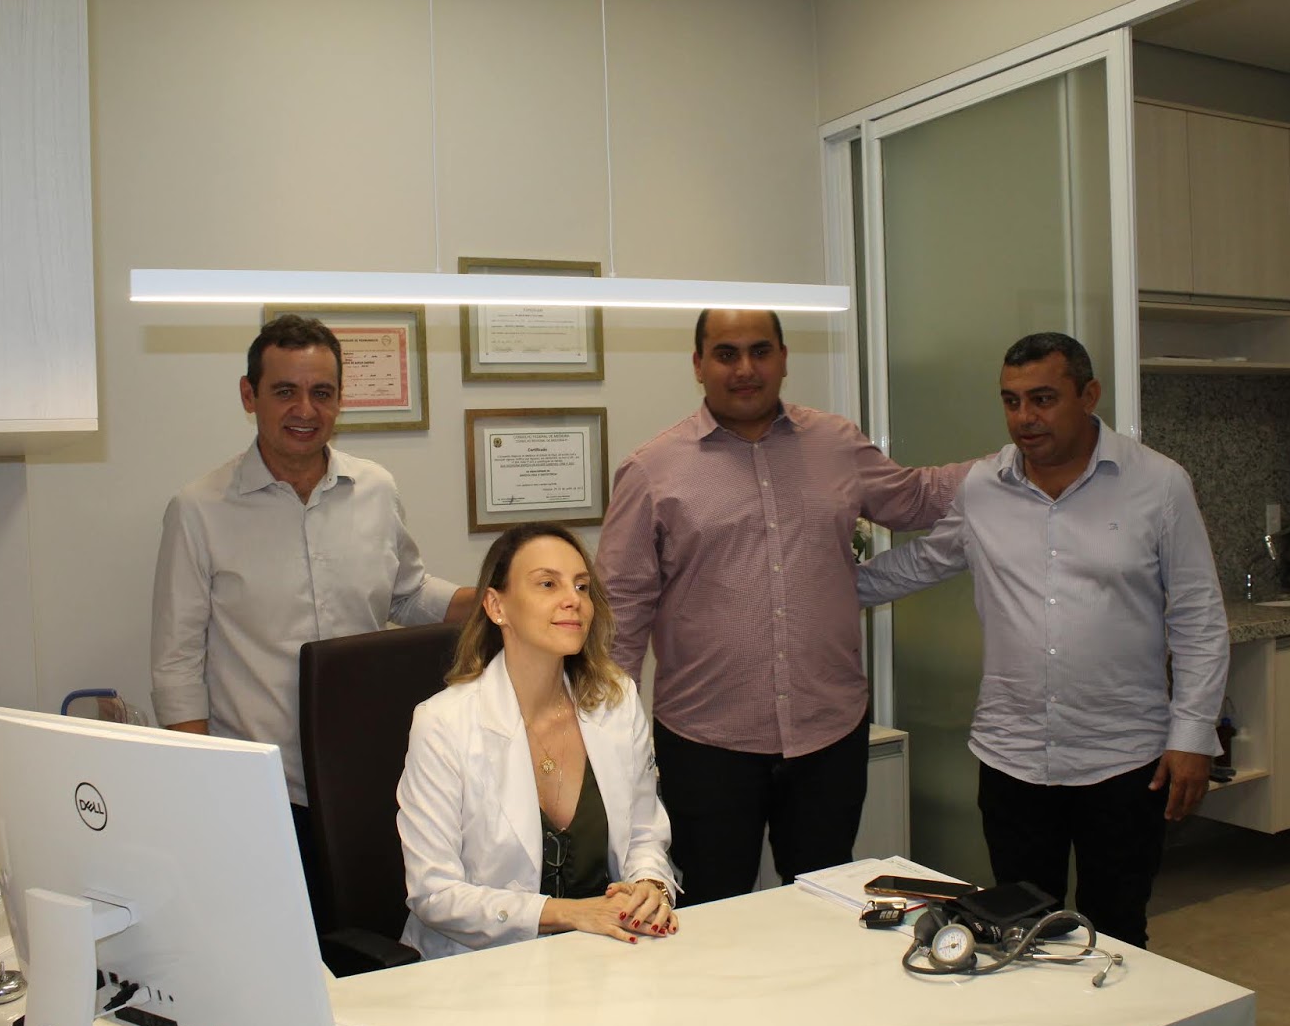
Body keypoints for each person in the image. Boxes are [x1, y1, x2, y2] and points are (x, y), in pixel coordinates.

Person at [857, 331, 1228, 947]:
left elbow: (1199, 615)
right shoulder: (983, 487)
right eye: (1011, 401)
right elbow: (922, 563)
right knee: (1021, 930)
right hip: (1014, 757)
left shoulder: (1159, 484)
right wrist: (815, 592)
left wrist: (1192, 735)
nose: (1024, 417)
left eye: (1043, 399)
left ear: (1089, 395)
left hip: (1124, 758)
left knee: (1118, 929)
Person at [595, 308, 971, 905]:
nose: (745, 368)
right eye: (726, 354)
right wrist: (606, 732)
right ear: (698, 364)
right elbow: (622, 607)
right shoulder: (652, 469)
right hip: (706, 743)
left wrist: (1014, 469)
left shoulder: (837, 444)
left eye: (760, 351)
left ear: (784, 358)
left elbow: (914, 498)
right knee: (712, 908)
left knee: (826, 901)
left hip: (829, 734)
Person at [150, 314, 475, 891]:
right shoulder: (199, 510)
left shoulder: (375, 489)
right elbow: (176, 664)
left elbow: (407, 593)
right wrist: (202, 791)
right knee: (274, 942)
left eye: (321, 393)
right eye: (285, 391)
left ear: (340, 400)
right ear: (249, 395)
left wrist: (498, 599)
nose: (305, 410)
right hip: (260, 794)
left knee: (374, 935)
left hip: (371, 779)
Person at [397, 523, 678, 959]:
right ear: (497, 607)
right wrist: (569, 913)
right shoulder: (443, 724)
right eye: (548, 584)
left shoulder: (616, 701)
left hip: (604, 953)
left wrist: (649, 885)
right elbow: (434, 893)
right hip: (480, 969)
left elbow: (645, 834)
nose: (573, 599)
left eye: (581, 586)